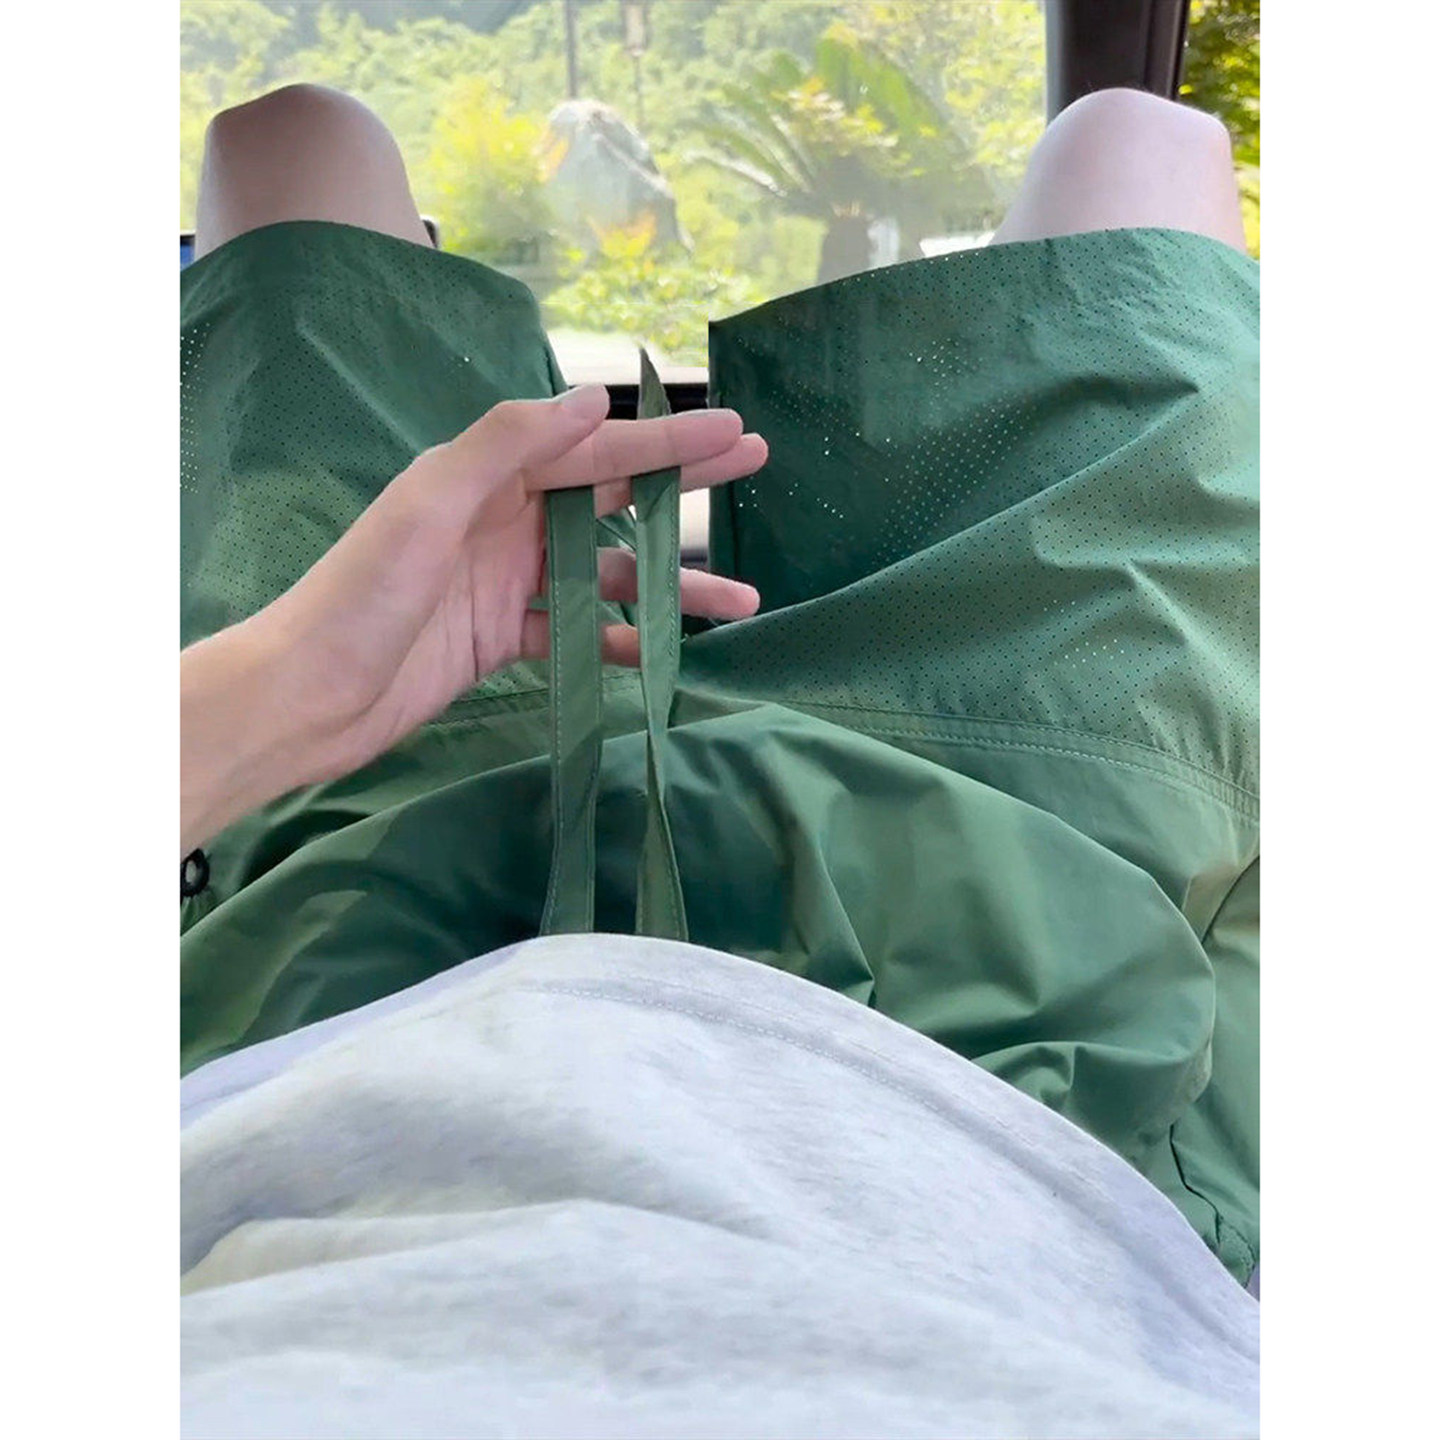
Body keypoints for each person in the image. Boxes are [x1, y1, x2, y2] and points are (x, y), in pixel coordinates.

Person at [180, 82, 1259, 1438]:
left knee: (288, 138)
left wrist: (282, 691)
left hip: (350, 920)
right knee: (1138, 139)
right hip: (1025, 983)